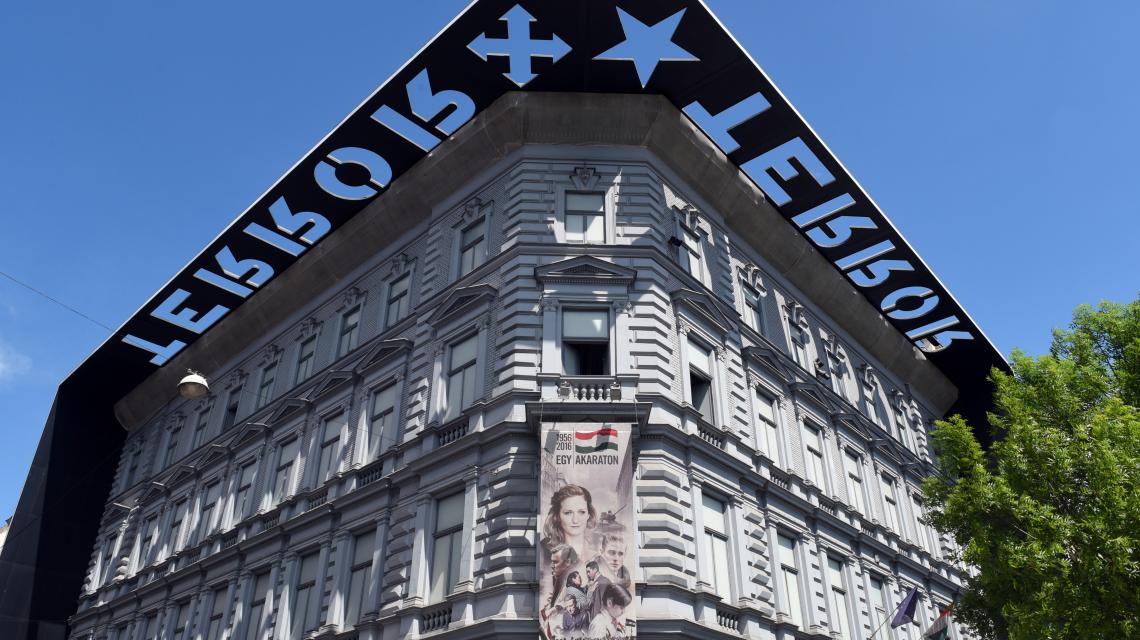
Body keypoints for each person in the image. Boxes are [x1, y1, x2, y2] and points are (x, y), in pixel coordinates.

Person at [540, 484, 598, 562]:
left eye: (582, 512)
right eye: (568, 513)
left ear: (588, 515)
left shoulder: (599, 554)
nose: (575, 520)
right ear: (557, 516)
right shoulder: (543, 551)